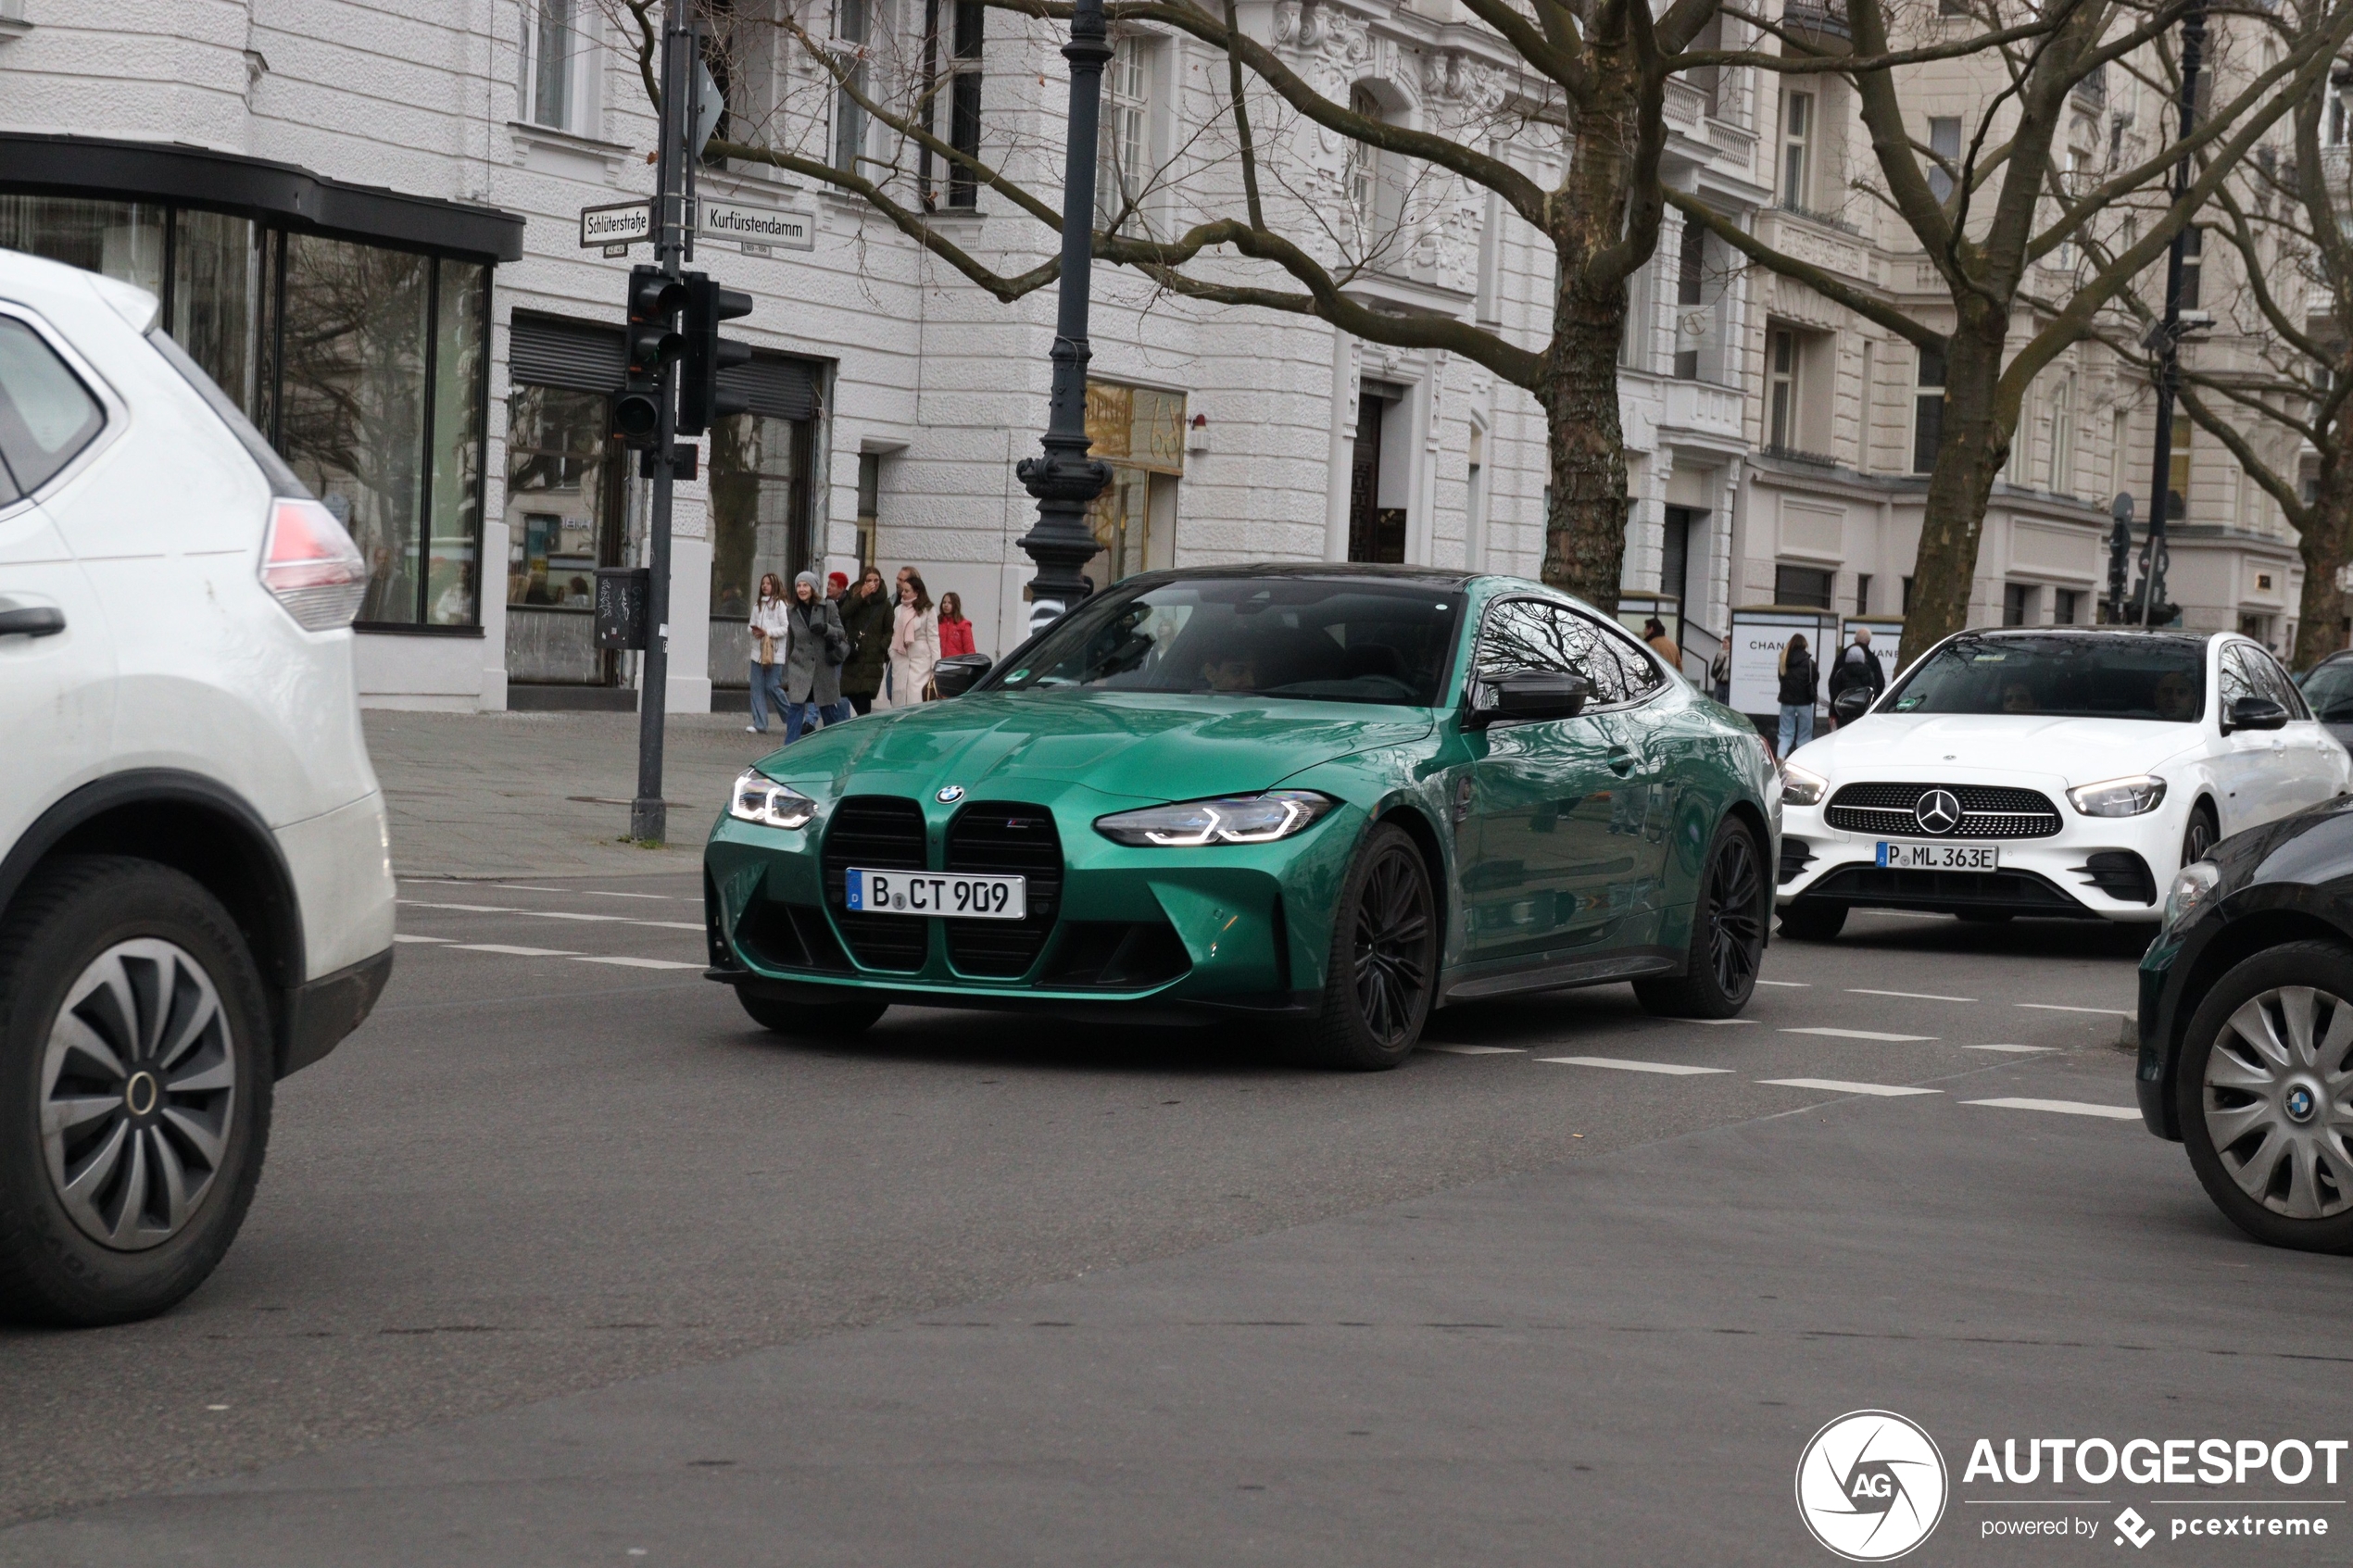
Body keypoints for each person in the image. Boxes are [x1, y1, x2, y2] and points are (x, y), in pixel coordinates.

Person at [781, 571, 849, 742]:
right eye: (799, 585)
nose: (802, 589)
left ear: (813, 588)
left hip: (822, 667)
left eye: (805, 585)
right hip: (800, 666)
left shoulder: (829, 607)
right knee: (795, 706)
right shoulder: (792, 610)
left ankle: (834, 744)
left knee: (828, 709)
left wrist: (826, 628)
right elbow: (791, 639)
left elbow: (841, 633)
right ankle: (789, 747)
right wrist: (789, 664)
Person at [837, 565, 893, 714]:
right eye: (869, 580)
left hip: (872, 657)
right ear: (863, 581)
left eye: (876, 580)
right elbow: (843, 614)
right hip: (854, 653)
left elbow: (889, 631)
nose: (873, 583)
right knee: (850, 691)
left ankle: (864, 729)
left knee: (864, 696)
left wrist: (881, 646)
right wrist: (860, 596)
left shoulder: (885, 604)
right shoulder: (854, 596)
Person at [886, 570, 942, 706]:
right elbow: (894, 634)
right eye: (903, 590)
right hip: (900, 660)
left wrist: (936, 666)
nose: (903, 593)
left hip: (921, 664)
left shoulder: (928, 610)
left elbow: (934, 639)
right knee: (899, 702)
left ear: (916, 592)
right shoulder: (898, 610)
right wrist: (892, 653)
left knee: (917, 700)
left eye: (907, 591)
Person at [746, 572, 792, 734]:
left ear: (775, 586)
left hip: (774, 653)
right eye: (763, 583)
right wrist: (755, 631)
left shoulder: (780, 605)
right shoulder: (757, 605)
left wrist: (767, 632)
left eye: (768, 583)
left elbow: (786, 628)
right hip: (757, 652)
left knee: (773, 686)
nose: (765, 586)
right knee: (757, 687)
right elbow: (750, 625)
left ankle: (792, 717)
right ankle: (760, 723)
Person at [1825, 626, 1886, 724]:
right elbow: (1880, 684)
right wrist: (1872, 705)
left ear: (1855, 639)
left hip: (1843, 710)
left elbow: (1833, 684)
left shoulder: (1842, 657)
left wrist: (1835, 708)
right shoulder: (1872, 660)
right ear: (1869, 641)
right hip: (1865, 711)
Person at [1778, 633, 1818, 758]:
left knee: (1785, 734)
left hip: (1787, 702)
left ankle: (1780, 757)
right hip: (1804, 702)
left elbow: (1781, 679)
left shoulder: (1783, 660)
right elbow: (1815, 680)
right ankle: (1801, 760)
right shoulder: (1810, 663)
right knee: (1804, 736)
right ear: (1805, 645)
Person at [938, 591, 976, 659]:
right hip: (940, 663)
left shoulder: (964, 625)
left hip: (957, 664)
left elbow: (969, 649)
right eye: (944, 602)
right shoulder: (938, 622)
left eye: (949, 603)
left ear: (955, 605)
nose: (946, 605)